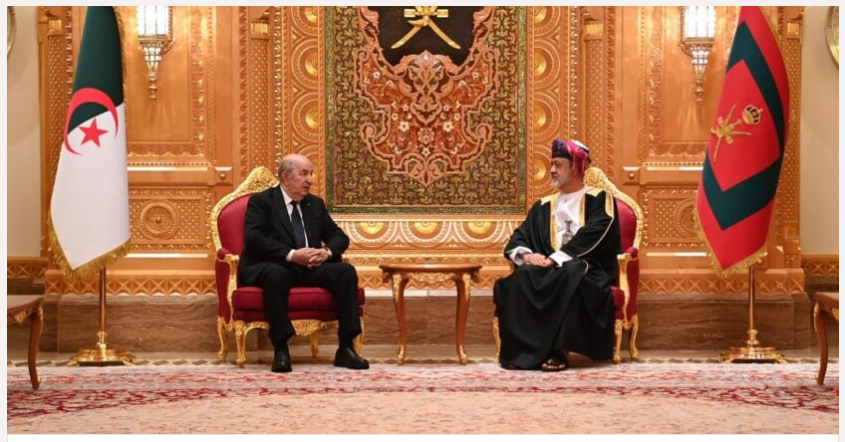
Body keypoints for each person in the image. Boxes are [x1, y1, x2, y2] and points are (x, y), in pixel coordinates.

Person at [494, 139, 621, 371]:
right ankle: (523, 352)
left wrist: (557, 258)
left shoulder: (600, 199)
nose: (551, 170)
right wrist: (527, 256)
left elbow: (597, 232)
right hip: (549, 268)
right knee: (521, 277)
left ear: (576, 168)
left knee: (571, 273)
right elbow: (520, 236)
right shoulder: (544, 205)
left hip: (586, 269)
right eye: (552, 164)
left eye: (558, 164)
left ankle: (558, 351)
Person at [239, 154, 369, 373]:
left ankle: (346, 348)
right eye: (304, 174)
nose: (310, 180)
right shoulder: (263, 202)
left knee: (345, 272)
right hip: (278, 265)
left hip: (309, 268)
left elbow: (339, 237)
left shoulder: (314, 204)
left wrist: (326, 252)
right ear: (286, 177)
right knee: (275, 274)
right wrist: (291, 254)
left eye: (311, 174)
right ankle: (281, 350)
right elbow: (254, 238)